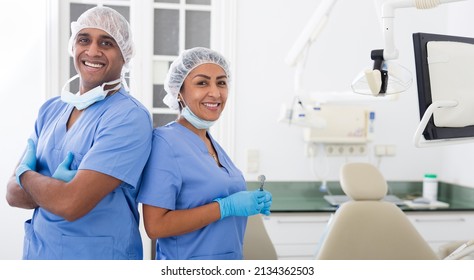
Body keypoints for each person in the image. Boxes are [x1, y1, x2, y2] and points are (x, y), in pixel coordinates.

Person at [5, 6, 152, 260]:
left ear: (124, 54)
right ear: (73, 46)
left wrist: (25, 174)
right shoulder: (51, 110)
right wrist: (56, 189)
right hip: (40, 255)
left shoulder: (128, 117)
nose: (92, 51)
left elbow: (70, 204)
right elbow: (12, 194)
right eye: (84, 40)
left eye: (106, 43)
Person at [137, 47, 273, 260]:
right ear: (179, 92)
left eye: (221, 82)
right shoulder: (165, 142)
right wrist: (225, 207)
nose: (215, 93)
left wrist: (251, 203)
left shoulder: (212, 144)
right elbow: (155, 226)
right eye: (202, 83)